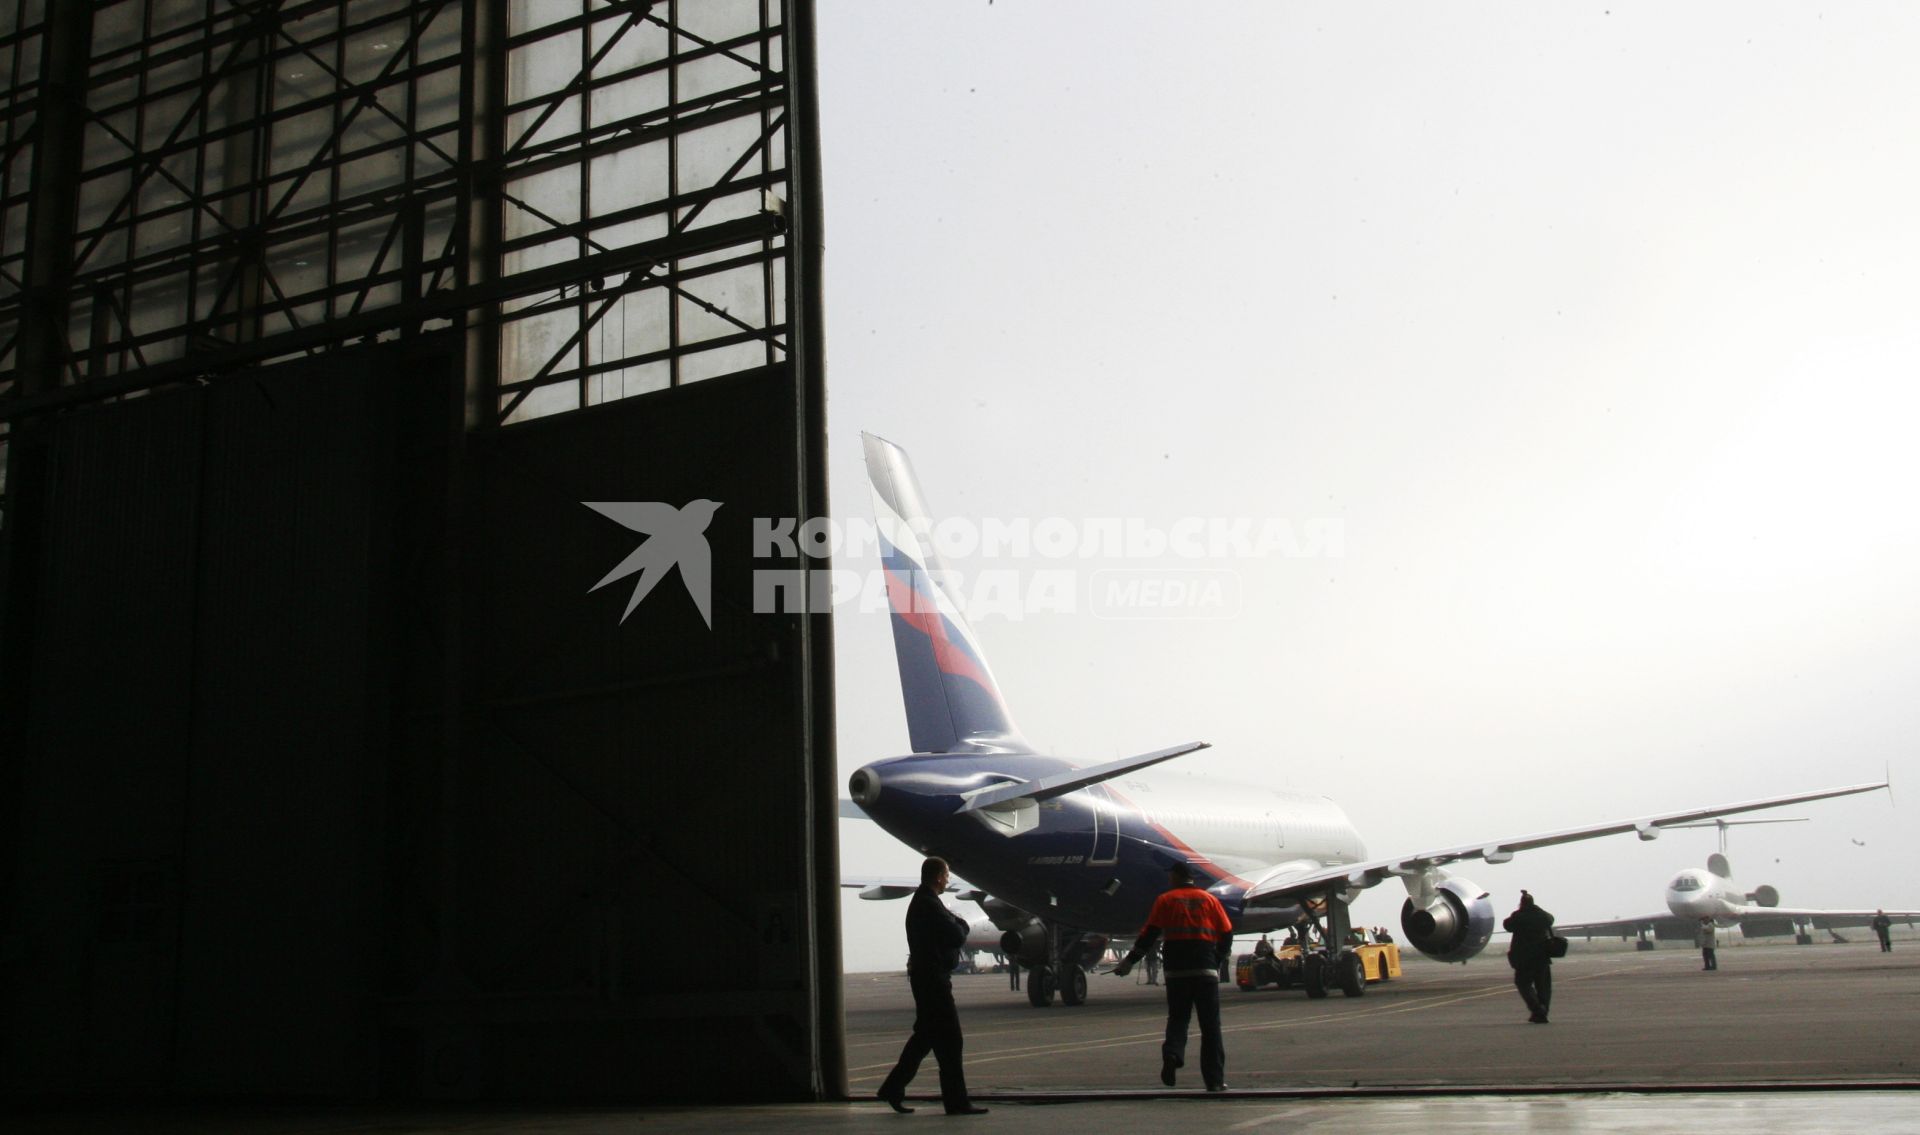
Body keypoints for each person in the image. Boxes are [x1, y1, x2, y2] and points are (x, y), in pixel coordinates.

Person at [876, 857, 988, 1115]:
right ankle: (956, 1102)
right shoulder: (928, 904)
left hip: (926, 978)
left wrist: (956, 924)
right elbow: (958, 933)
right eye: (947, 874)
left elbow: (955, 929)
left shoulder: (924, 902)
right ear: (938, 876)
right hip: (933, 981)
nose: (948, 879)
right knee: (951, 1041)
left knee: (925, 1037)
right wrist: (959, 923)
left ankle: (892, 1087)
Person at [1112, 863, 1236, 1091]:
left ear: (1177, 877)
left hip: (1177, 972)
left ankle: (1172, 1055)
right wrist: (1217, 959)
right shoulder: (1209, 900)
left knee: (1178, 1019)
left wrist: (1129, 962)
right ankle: (1215, 1081)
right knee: (1211, 1027)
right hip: (1205, 970)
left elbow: (1148, 935)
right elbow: (1227, 932)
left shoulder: (1165, 900)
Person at [1503, 889, 1555, 1024]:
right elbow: (1550, 919)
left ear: (1521, 904)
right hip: (1542, 956)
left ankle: (1537, 1009)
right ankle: (1542, 1012)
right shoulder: (1542, 916)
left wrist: (1518, 912)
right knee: (1543, 987)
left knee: (1523, 984)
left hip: (1524, 958)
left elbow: (1507, 925)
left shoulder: (1519, 917)